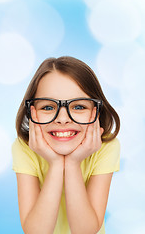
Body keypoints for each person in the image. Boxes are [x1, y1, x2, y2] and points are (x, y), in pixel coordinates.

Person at [12, 56, 120, 234]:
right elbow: (36, 232)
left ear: (95, 112)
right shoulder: (24, 148)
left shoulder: (106, 146)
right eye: (48, 107)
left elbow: (85, 231)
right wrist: (55, 164)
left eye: (78, 107)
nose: (63, 119)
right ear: (33, 112)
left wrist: (72, 163)